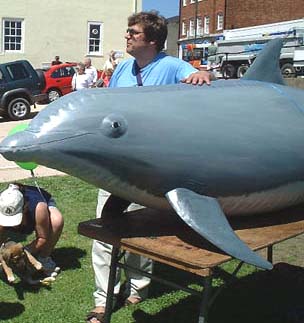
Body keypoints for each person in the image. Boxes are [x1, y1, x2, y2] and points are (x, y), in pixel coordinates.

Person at [87, 11, 212, 323]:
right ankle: (102, 301)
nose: (127, 36)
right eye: (128, 31)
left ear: (152, 40)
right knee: (104, 231)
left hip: (150, 169)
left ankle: (137, 287)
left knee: (141, 233)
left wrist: (203, 75)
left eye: (134, 32)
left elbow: (203, 76)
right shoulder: (123, 70)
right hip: (117, 166)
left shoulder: (170, 66)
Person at [0, 183, 64, 274]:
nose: (13, 225)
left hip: (41, 203)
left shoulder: (39, 207)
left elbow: (42, 238)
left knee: (56, 221)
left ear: (25, 208)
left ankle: (44, 258)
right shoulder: (2, 205)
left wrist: (25, 252)